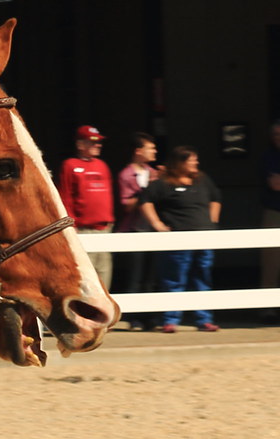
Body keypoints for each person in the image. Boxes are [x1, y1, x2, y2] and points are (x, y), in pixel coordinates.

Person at [139, 145, 221, 332]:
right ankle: (170, 320)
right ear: (179, 163)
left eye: (196, 160)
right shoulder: (163, 183)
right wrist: (157, 224)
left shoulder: (202, 179)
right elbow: (145, 200)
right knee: (174, 279)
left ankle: (204, 319)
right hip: (177, 240)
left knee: (202, 277)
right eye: (191, 160)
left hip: (204, 237)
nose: (196, 163)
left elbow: (216, 197)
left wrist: (212, 221)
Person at [57, 125, 115, 288]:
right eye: (93, 142)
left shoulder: (102, 166)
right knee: (86, 275)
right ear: (80, 144)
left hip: (104, 229)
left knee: (104, 271)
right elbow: (65, 196)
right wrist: (71, 225)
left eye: (99, 142)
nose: (98, 145)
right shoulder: (70, 165)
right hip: (83, 230)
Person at [115, 132, 158, 330]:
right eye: (150, 148)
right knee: (135, 276)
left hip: (152, 231)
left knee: (151, 277)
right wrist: (145, 193)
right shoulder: (126, 175)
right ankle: (134, 317)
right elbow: (126, 205)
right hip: (134, 230)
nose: (154, 151)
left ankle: (150, 317)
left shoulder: (155, 173)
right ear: (138, 151)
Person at [259, 119, 280, 321]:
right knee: (271, 261)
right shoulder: (269, 157)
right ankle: (268, 309)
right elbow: (275, 184)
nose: (278, 138)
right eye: (275, 135)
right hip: (275, 212)